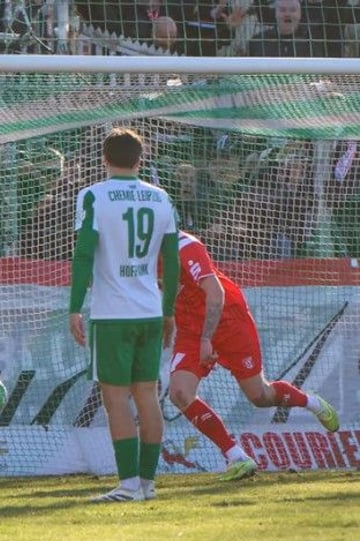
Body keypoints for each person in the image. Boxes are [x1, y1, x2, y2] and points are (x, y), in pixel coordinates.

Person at [167, 230, 340, 481]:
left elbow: (216, 293)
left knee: (260, 396)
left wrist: (206, 339)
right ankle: (237, 457)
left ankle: (311, 402)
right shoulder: (133, 251)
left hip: (228, 320)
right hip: (190, 327)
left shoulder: (185, 245)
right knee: (179, 393)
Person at [69, 128, 180, 503]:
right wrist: (168, 311)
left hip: (113, 313)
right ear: (140, 159)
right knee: (147, 395)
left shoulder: (94, 196)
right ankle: (147, 483)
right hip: (150, 309)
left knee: (115, 398)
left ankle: (129, 484)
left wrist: (74, 306)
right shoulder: (161, 197)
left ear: (104, 159)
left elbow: (84, 254)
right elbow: (172, 261)